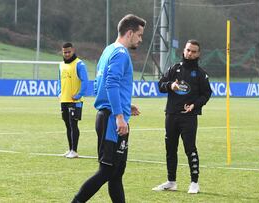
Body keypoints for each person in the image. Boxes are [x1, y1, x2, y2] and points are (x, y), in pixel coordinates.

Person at [71, 14, 145, 203]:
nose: (140, 39)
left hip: (110, 114)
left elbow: (100, 85)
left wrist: (125, 105)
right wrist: (119, 115)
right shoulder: (121, 54)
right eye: (139, 35)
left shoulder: (108, 51)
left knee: (116, 172)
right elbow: (111, 84)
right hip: (112, 119)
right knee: (107, 170)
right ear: (129, 33)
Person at [153, 40, 212, 194]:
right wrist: (170, 85)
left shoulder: (201, 74)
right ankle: (171, 181)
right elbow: (160, 85)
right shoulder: (174, 69)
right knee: (170, 148)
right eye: (188, 50)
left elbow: (207, 94)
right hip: (171, 115)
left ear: (198, 54)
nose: (189, 53)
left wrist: (195, 105)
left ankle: (194, 183)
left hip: (189, 117)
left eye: (193, 51)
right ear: (184, 50)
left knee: (190, 148)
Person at [58, 42, 88, 159]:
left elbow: (85, 81)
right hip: (64, 100)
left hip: (75, 101)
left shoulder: (79, 64)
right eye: (64, 52)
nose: (66, 54)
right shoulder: (61, 65)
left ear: (73, 50)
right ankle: (70, 149)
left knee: (73, 124)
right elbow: (60, 80)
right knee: (67, 125)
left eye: (68, 52)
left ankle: (74, 150)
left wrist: (79, 94)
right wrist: (59, 92)